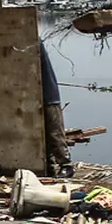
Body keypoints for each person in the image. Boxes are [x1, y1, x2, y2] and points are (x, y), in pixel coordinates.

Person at [39, 40, 72, 177]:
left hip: (49, 96)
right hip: (34, 97)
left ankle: (66, 165)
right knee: (40, 134)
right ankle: (49, 166)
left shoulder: (34, 43)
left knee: (54, 132)